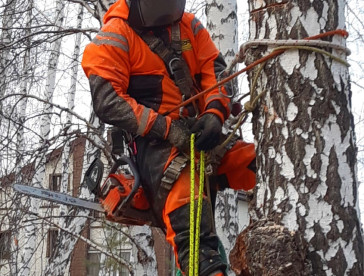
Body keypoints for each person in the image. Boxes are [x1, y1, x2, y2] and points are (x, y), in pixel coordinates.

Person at [82, 0, 256, 275]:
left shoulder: (190, 27)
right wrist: (165, 128)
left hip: (201, 132)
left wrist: (214, 113)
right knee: (191, 223)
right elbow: (108, 100)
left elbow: (216, 72)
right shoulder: (114, 36)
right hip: (156, 147)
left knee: (257, 164)